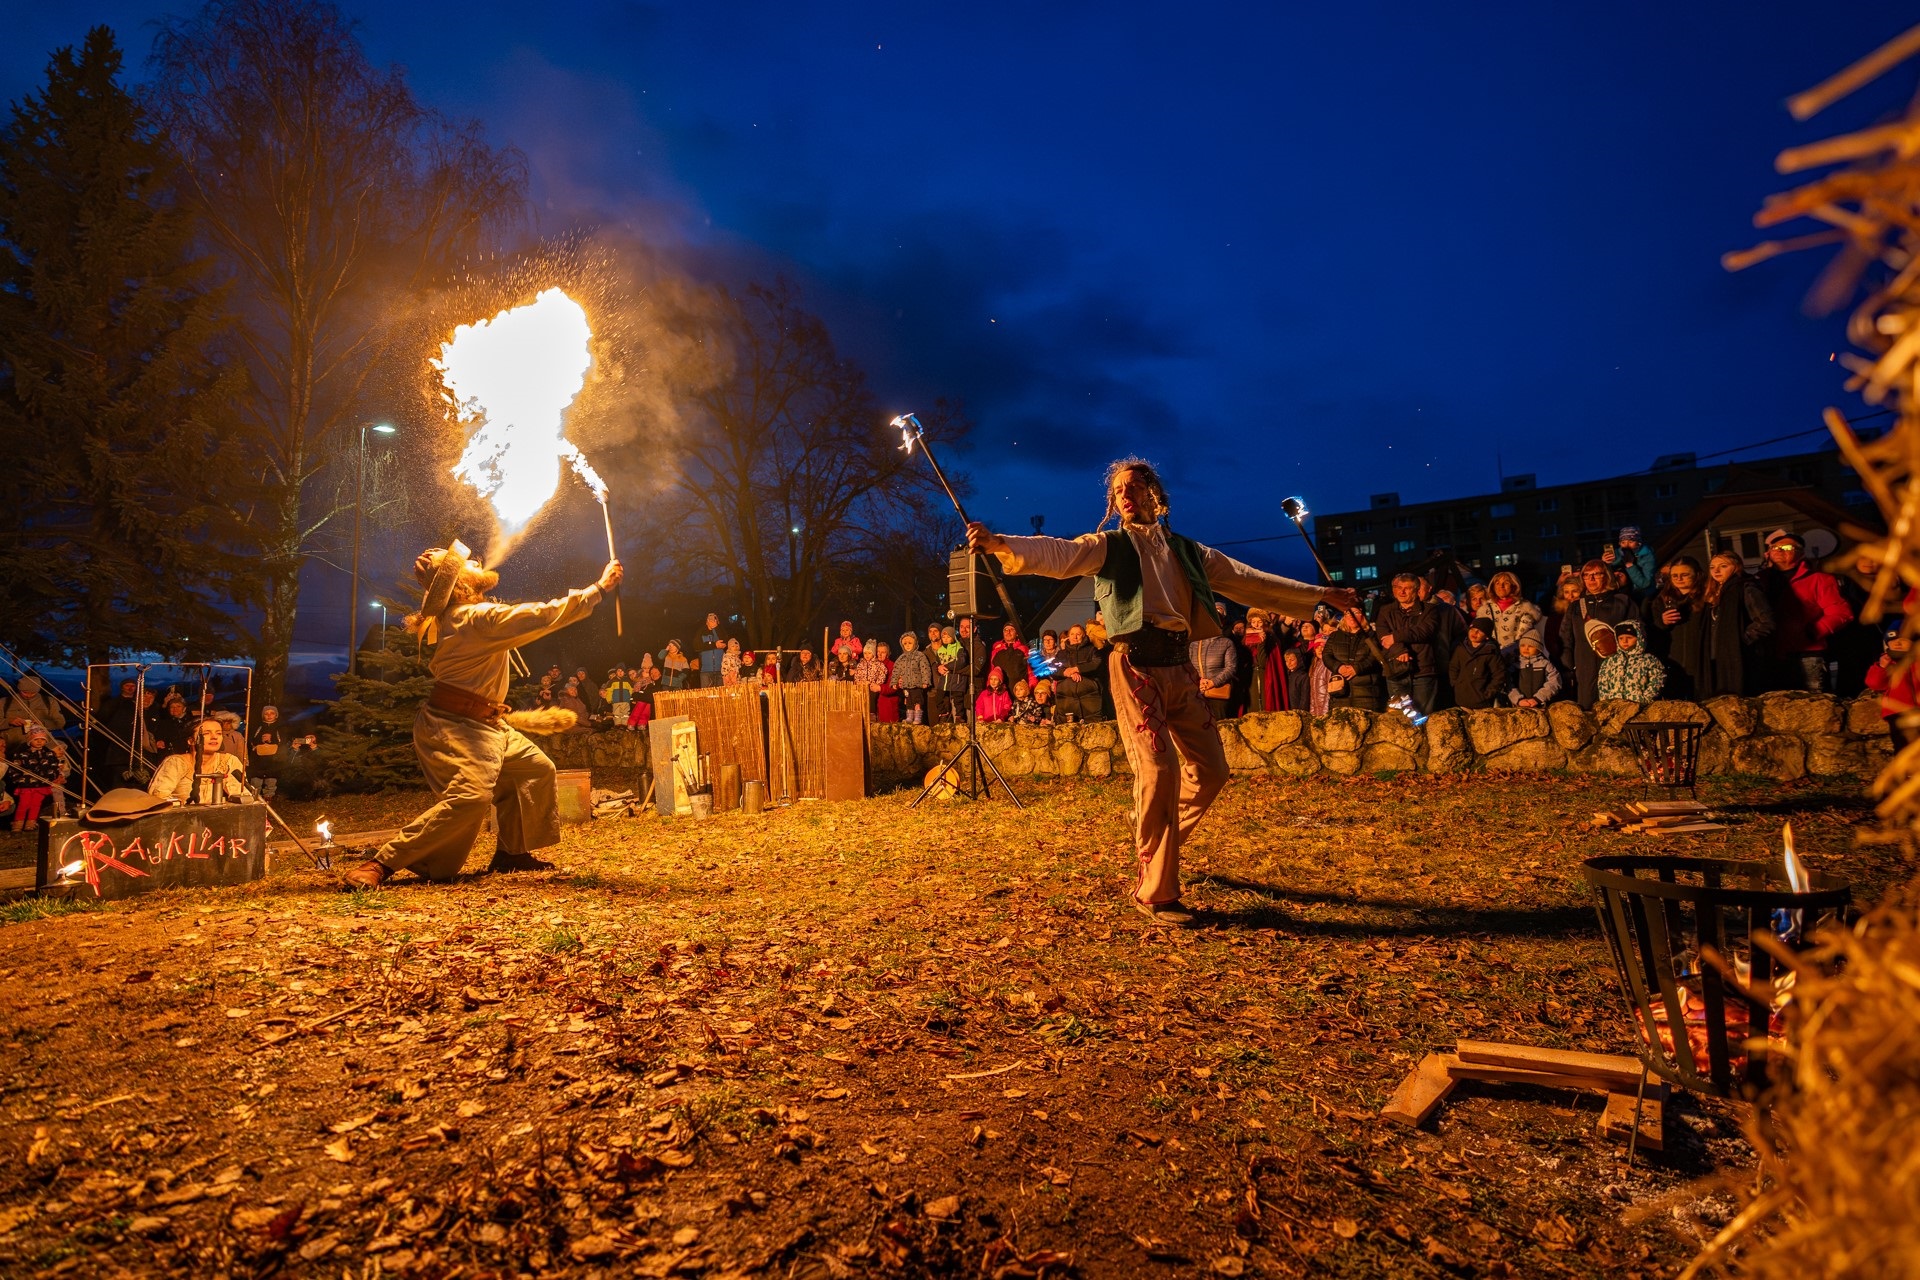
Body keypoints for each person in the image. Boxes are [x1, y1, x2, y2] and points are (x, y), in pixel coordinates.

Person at [968, 457, 1355, 925]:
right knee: (1157, 770)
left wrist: (1319, 594)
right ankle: (1156, 891)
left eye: (1134, 486)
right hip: (1133, 666)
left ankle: (1149, 830)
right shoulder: (1107, 547)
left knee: (1211, 771)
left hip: (1179, 666)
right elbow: (1058, 554)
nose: (1125, 495)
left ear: (1156, 493)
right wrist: (999, 542)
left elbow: (1248, 580)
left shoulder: (1188, 552)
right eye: (1116, 491)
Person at [343, 541, 620, 888]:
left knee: (534, 769)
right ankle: (381, 863)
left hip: (488, 724)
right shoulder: (473, 618)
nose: (476, 561)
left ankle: (511, 853)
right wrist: (598, 589)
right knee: (470, 798)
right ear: (461, 584)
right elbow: (542, 616)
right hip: (455, 726)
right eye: (467, 564)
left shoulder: (465, 617)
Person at [1759, 529, 1855, 693]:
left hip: (1807, 653)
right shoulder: (1760, 580)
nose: (1779, 550)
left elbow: (1841, 612)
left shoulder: (1819, 580)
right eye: (1774, 547)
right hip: (1771, 653)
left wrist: (1814, 631)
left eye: (1787, 548)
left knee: (1815, 703)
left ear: (1800, 553)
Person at [1561, 560, 1635, 708]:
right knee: (1587, 705)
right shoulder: (1576, 606)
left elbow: (1636, 631)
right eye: (1587, 575)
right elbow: (1565, 636)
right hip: (1584, 664)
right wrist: (1568, 662)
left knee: (1614, 707)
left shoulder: (1622, 601)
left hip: (1616, 664)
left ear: (1606, 576)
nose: (1591, 579)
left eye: (1596, 574)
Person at [1375, 574, 1443, 714]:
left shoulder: (1430, 610)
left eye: (1407, 588)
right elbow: (1383, 635)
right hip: (1396, 670)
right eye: (1399, 587)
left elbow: (1424, 631)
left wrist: (1395, 636)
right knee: (1400, 716)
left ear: (1417, 590)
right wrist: (1399, 651)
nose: (1402, 592)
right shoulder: (1386, 610)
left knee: (1421, 716)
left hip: (1422, 671)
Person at [1647, 556, 1710, 700]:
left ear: (1697, 575)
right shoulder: (1662, 599)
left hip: (1700, 654)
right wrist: (1661, 622)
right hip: (1674, 655)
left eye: (1685, 575)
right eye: (1675, 575)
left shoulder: (1707, 597)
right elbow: (1651, 628)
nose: (1679, 579)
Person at [146, 716, 246, 806]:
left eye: (219, 733)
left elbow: (242, 795)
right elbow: (158, 798)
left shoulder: (228, 761)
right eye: (206, 733)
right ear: (191, 740)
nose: (214, 737)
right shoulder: (176, 763)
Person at [1319, 610, 1385, 711]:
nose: (1352, 616)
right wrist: (1338, 667)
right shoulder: (1335, 636)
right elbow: (1327, 656)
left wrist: (1358, 668)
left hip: (1367, 693)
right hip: (1340, 693)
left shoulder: (1372, 635)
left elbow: (1376, 656)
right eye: (1348, 613)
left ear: (1363, 616)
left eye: (1356, 613)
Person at [1866, 626, 1918, 751]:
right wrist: (1882, 667)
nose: (1898, 643)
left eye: (1903, 639)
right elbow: (1875, 683)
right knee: (1903, 747)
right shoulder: (1888, 663)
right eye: (1893, 640)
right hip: (1897, 712)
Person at [8, 723, 68, 830]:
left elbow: (53, 767)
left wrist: (54, 777)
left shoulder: (49, 754)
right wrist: (18, 779)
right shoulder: (22, 754)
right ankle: (18, 823)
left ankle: (30, 823)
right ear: (30, 740)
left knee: (36, 804)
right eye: (36, 739)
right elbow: (15, 767)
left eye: (42, 739)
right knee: (23, 804)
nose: (39, 742)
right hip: (26, 784)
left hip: (41, 784)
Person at [1475, 571, 1543, 659]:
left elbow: (1526, 639)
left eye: (1506, 583)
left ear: (1514, 586)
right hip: (1490, 658)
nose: (1501, 586)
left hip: (1517, 658)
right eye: (1497, 583)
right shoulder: (1485, 610)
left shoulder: (1524, 608)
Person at [1596, 621, 1666, 702]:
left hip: (1639, 704)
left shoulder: (1649, 660)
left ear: (1639, 638)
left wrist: (1646, 698)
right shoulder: (1610, 661)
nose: (1624, 641)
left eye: (1629, 637)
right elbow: (1602, 683)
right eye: (1621, 638)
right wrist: (1606, 700)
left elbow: (1657, 679)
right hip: (1615, 705)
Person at [1449, 616, 1509, 709]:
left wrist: (1488, 693)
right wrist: (1456, 684)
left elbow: (1499, 674)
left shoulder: (1491, 652)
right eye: (1473, 629)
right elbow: (1454, 667)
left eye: (1480, 631)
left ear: (1487, 636)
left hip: (1482, 701)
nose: (1475, 633)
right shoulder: (1461, 648)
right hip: (1461, 698)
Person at [1053, 623, 1104, 723]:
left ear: (1084, 635)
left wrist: (1077, 669)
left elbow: (1097, 663)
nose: (1075, 637)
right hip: (1066, 703)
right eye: (1072, 634)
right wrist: (1067, 672)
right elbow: (1053, 668)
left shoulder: (1091, 650)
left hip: (1090, 702)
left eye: (1078, 634)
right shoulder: (1062, 654)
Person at [3, 676, 67, 750]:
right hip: (11, 746)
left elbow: (60, 722)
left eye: (33, 693)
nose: (28, 695)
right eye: (25, 692)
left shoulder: (49, 702)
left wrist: (43, 723)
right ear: (19, 689)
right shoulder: (5, 702)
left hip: (42, 748)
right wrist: (9, 722)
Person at [1189, 629, 1238, 720]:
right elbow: (1188, 666)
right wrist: (1198, 681)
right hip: (1198, 691)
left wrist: (1213, 682)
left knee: (1219, 724)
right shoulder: (1193, 644)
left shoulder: (1226, 642)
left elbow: (1231, 668)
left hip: (1218, 691)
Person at [1603, 526, 1659, 599]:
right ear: (1619, 543)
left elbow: (1645, 584)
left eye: (1630, 542)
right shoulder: (1617, 554)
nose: (1626, 545)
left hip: (1643, 596)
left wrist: (1630, 565)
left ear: (1638, 543)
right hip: (1621, 595)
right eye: (1623, 542)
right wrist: (1605, 563)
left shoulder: (1647, 556)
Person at [1508, 634, 1562, 707]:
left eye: (1530, 646)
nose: (1526, 649)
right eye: (1523, 645)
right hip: (1519, 707)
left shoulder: (1546, 665)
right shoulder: (1514, 666)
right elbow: (1509, 685)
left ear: (1538, 648)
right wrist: (1518, 700)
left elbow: (1554, 682)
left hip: (1542, 705)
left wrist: (1538, 698)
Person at [892, 632, 934, 724]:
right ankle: (910, 717)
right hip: (906, 685)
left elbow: (925, 668)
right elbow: (896, 670)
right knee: (909, 702)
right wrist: (894, 682)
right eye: (905, 644)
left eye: (910, 643)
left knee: (917, 701)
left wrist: (925, 681)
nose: (907, 646)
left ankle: (918, 718)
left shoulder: (919, 656)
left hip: (916, 685)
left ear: (915, 643)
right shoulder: (901, 658)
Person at [249, 705, 287, 799]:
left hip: (273, 761)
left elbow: (283, 742)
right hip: (258, 760)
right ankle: (255, 798)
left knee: (271, 781)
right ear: (263, 715)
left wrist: (272, 739)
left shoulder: (281, 728)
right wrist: (259, 741)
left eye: (272, 713)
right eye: (266, 713)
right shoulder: (257, 727)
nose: (269, 715)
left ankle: (268, 799)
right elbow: (251, 741)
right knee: (256, 781)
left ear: (276, 715)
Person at [990, 623, 1030, 695]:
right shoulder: (996, 651)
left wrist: (1031, 688)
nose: (1008, 632)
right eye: (1006, 630)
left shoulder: (1024, 649)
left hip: (1018, 692)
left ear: (1017, 633)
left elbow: (1030, 672)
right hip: (1001, 693)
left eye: (1011, 629)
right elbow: (992, 672)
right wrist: (989, 689)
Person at [698, 614, 726, 688]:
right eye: (709, 619)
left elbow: (725, 643)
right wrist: (714, 645)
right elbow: (696, 645)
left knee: (720, 696)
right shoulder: (701, 632)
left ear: (717, 621)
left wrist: (716, 628)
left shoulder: (721, 631)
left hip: (721, 670)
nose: (711, 620)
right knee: (706, 696)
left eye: (714, 619)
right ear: (706, 621)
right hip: (705, 671)